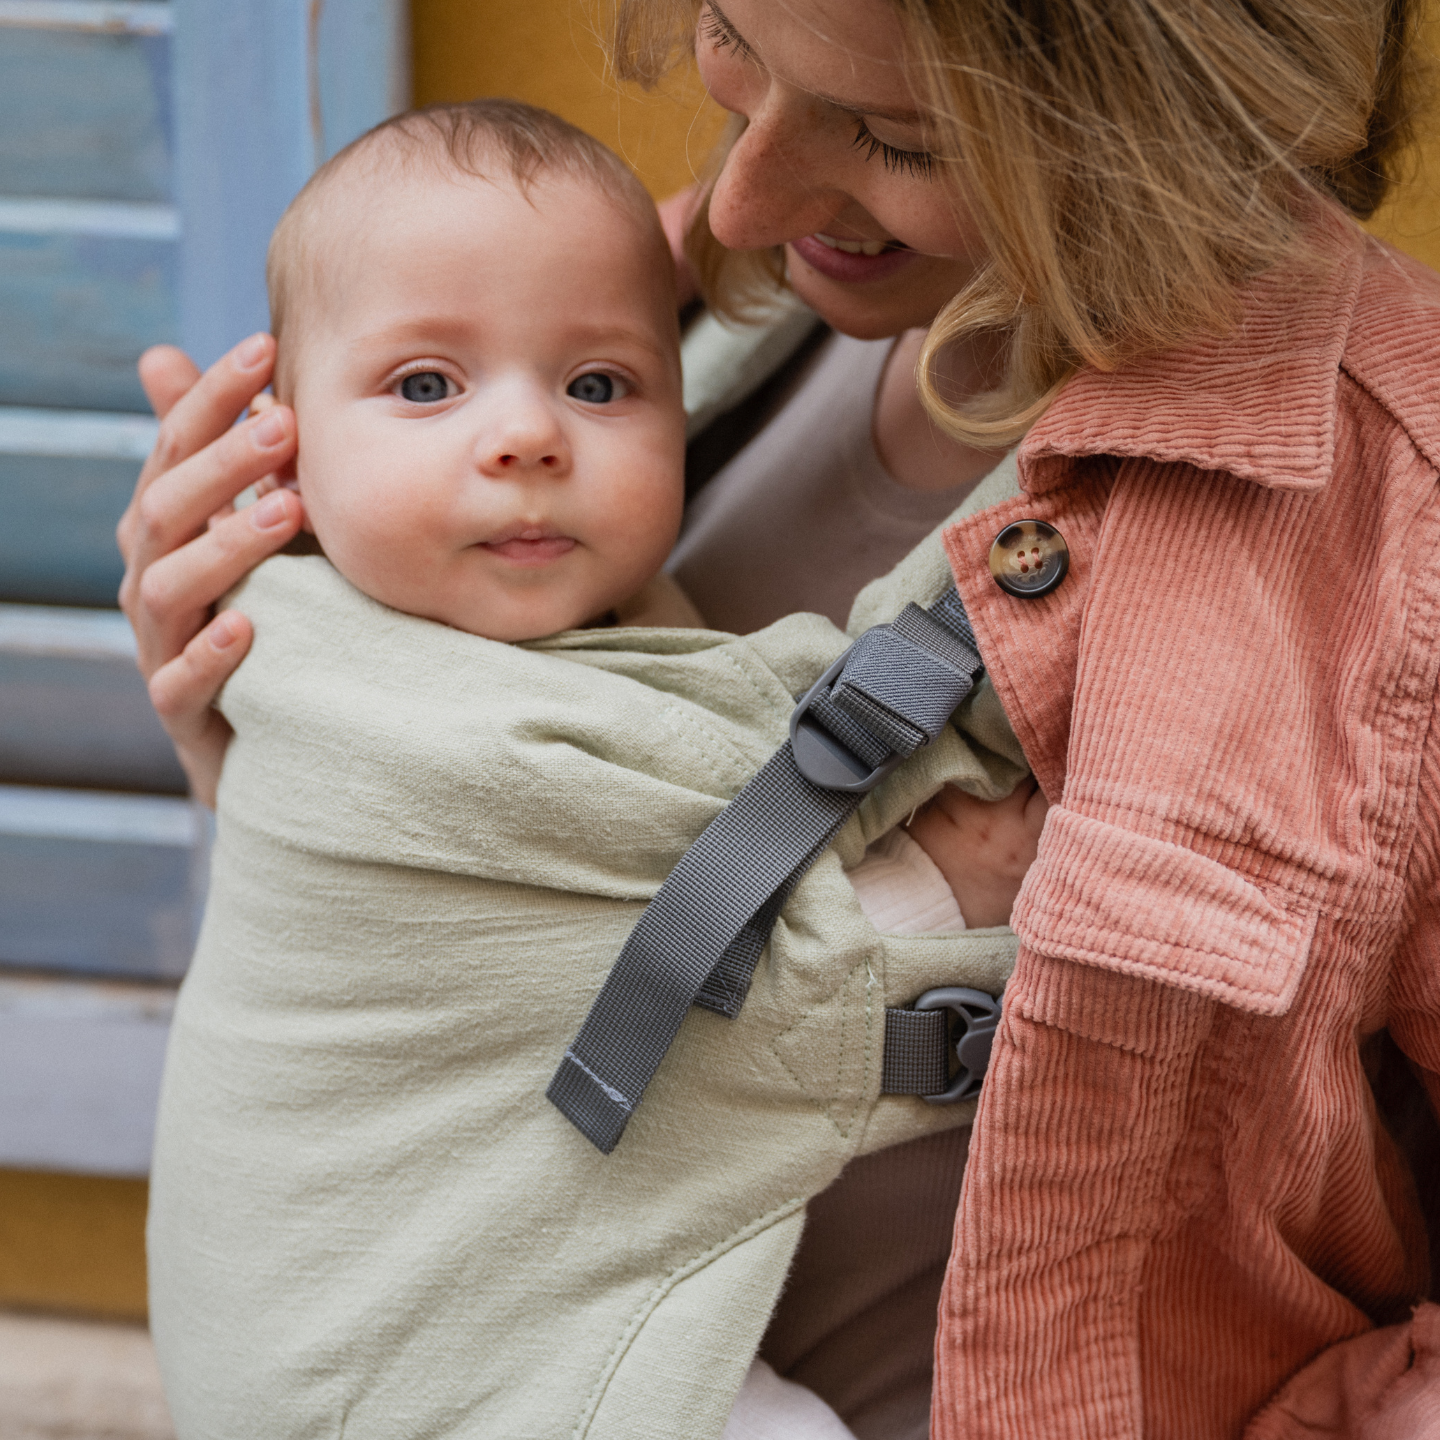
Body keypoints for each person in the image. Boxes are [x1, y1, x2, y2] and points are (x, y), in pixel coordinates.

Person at [120, 0, 1440, 1435]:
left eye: (897, 136)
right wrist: (281, 739)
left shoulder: (1395, 523)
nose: (739, 196)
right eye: (737, 42)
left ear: (1148, 130)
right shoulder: (655, 293)